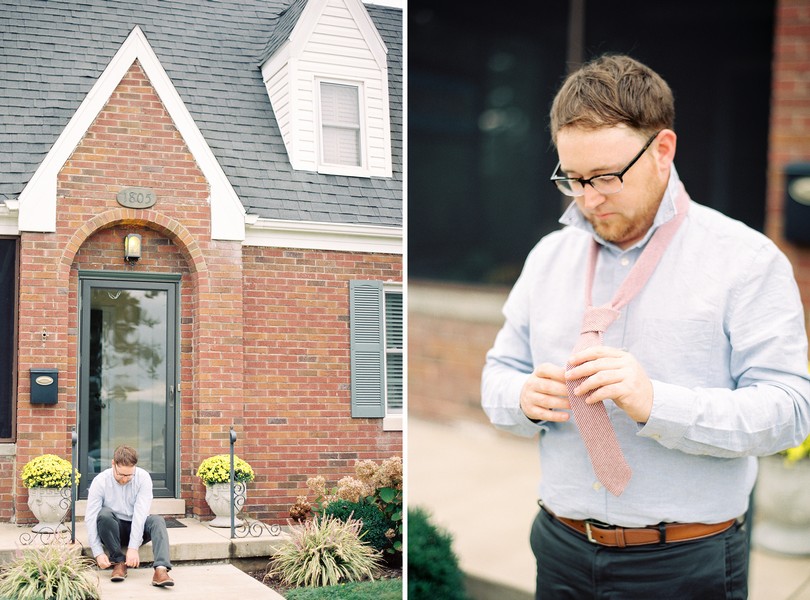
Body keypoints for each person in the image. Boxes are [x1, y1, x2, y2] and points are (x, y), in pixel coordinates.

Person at [481, 53, 810, 599]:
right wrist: (521, 397)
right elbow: (497, 375)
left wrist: (656, 402)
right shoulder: (546, 257)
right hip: (559, 547)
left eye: (607, 177)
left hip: (685, 561)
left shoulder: (747, 260)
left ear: (662, 150)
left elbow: (791, 411)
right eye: (574, 179)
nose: (589, 198)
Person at [85, 445, 175, 587]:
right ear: (113, 464)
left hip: (136, 526)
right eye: (121, 474)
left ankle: (161, 570)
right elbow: (90, 518)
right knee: (104, 514)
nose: (125, 479)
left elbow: (141, 514)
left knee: (157, 520)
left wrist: (133, 547)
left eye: (129, 475)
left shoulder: (143, 478)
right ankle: (119, 562)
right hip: (112, 529)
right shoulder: (100, 481)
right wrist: (97, 552)